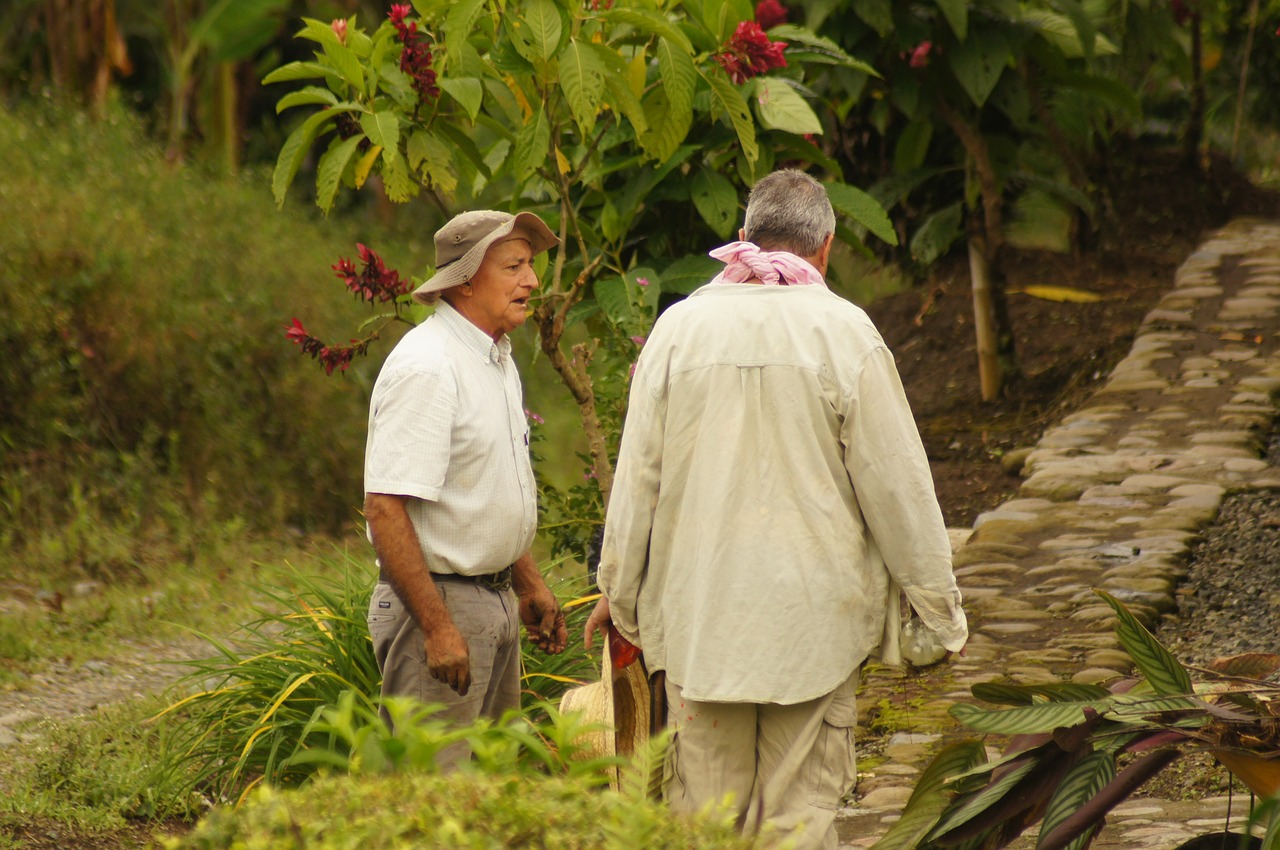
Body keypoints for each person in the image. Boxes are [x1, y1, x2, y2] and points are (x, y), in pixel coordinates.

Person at [586, 170, 968, 849]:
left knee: (704, 825)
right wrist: (939, 611)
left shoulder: (677, 332)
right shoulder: (846, 333)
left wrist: (618, 595)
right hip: (813, 629)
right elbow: (898, 487)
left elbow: (636, 479)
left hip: (702, 625)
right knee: (799, 821)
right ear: (826, 245)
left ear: (742, 239)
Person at [364, 209, 568, 767]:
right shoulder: (430, 367)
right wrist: (437, 627)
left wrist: (527, 584)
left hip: (491, 604)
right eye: (515, 266)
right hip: (441, 606)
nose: (531, 281)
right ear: (466, 280)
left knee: (488, 799)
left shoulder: (494, 359)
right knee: (430, 805)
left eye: (531, 265)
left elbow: (484, 490)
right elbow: (384, 508)